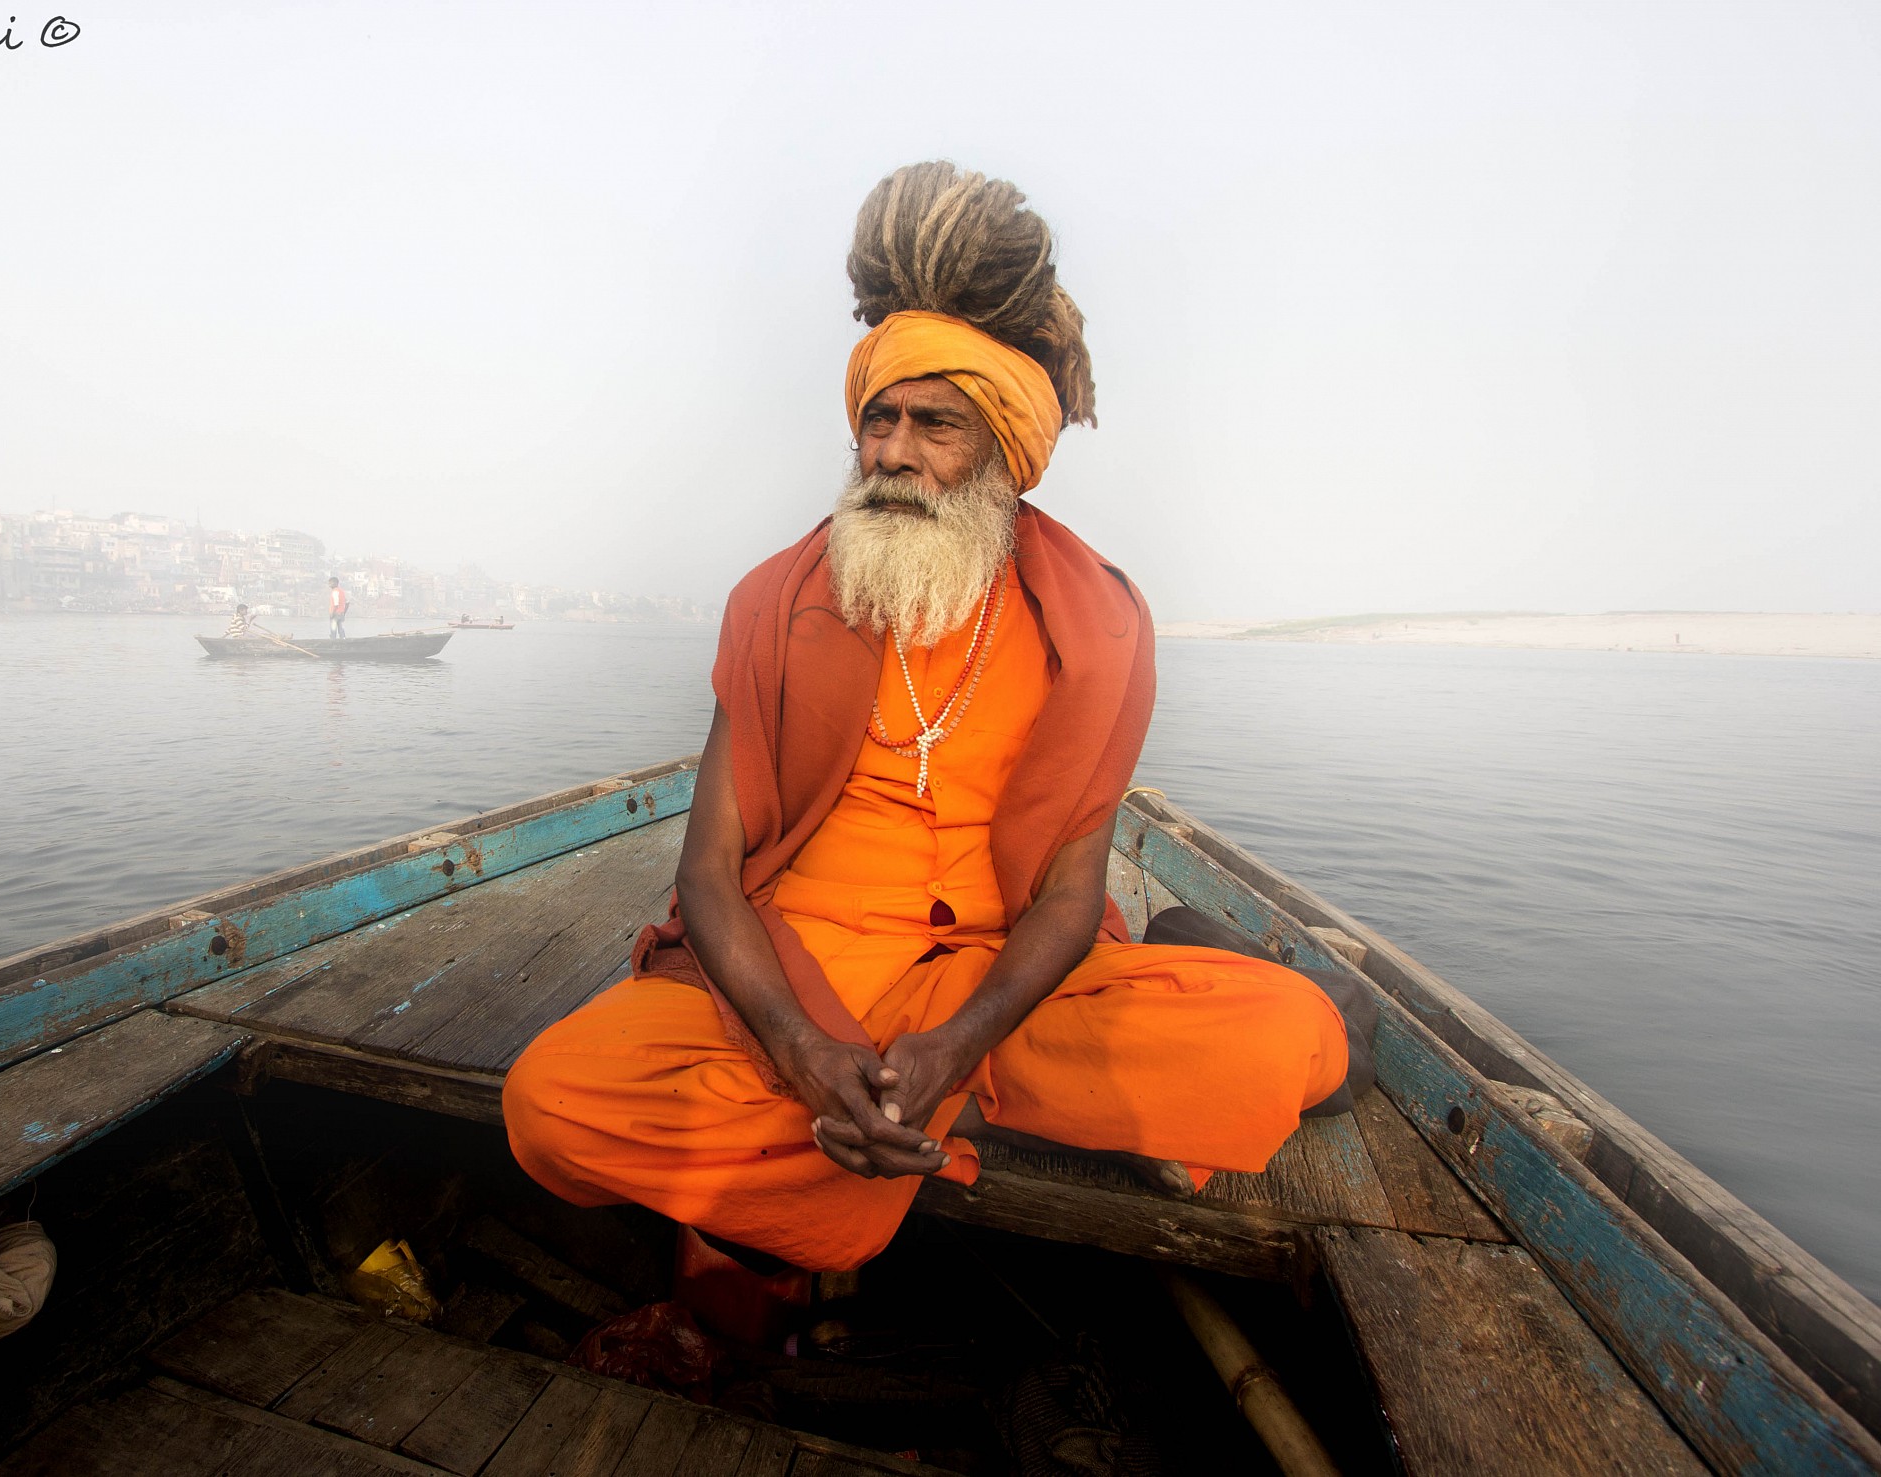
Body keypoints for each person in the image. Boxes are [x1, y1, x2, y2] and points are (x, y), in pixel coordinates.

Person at [501, 162, 1374, 1276]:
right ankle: (926, 1119)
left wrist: (956, 1042)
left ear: (1002, 454)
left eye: (934, 425)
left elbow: (1066, 898)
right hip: (797, 966)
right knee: (547, 1104)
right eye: (879, 420)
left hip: (989, 979)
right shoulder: (778, 601)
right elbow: (709, 875)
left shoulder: (1095, 623)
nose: (894, 452)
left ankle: (925, 1106)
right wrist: (808, 1051)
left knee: (1289, 1039)